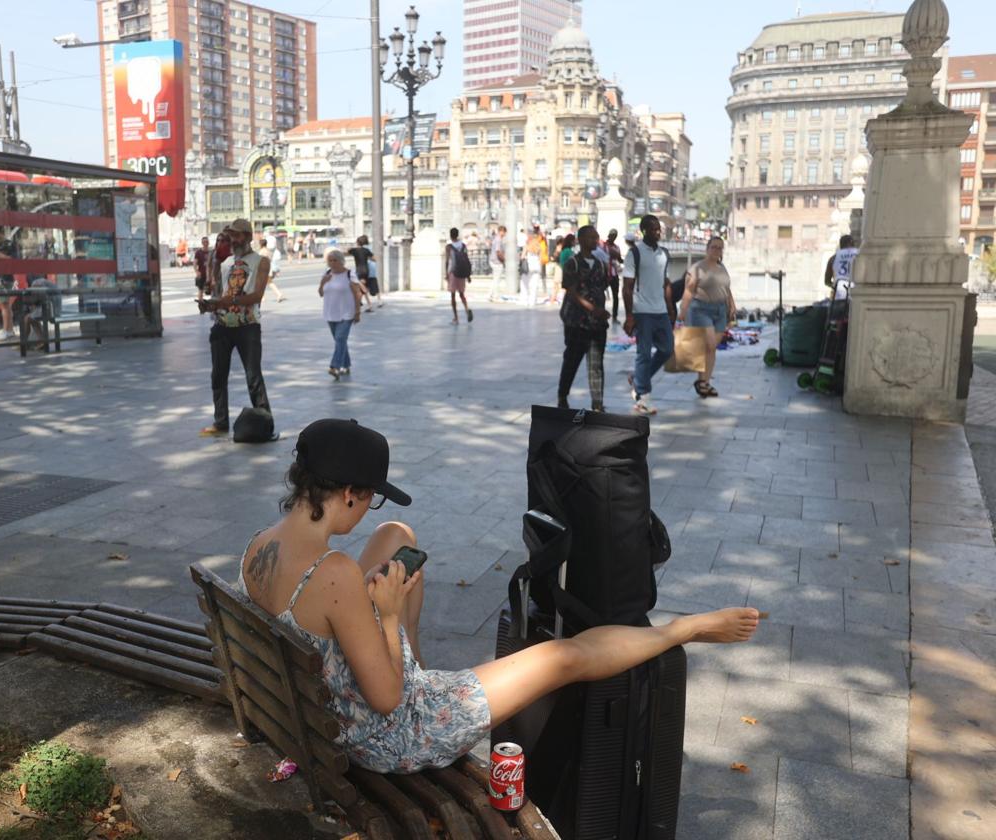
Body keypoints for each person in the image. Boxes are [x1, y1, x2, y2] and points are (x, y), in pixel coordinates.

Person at [235, 418, 760, 774]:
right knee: (562, 658)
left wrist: (373, 607)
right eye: (369, 500)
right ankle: (685, 628)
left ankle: (415, 657)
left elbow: (320, 614)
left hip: (318, 704)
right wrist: (389, 616)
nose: (365, 511)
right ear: (348, 493)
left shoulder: (261, 544)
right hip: (385, 735)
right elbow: (388, 701)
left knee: (397, 536)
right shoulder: (335, 574)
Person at [199, 218, 274, 437]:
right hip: (222, 324)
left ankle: (265, 422)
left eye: (237, 235)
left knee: (253, 375)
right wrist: (210, 305)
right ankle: (220, 421)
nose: (233, 239)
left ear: (248, 237)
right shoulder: (225, 263)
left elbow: (257, 296)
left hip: (247, 326)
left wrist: (225, 302)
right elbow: (221, 293)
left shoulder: (260, 261)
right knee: (218, 375)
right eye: (231, 235)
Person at [623, 215, 676, 416]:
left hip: (661, 310)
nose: (657, 232)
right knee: (643, 354)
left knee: (667, 349)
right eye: (653, 229)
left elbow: (666, 283)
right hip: (642, 311)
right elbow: (627, 287)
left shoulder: (664, 254)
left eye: (658, 229)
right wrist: (629, 316)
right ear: (644, 230)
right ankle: (643, 397)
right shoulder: (634, 253)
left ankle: (638, 379)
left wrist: (671, 308)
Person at [556, 226, 611, 411]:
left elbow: (602, 287)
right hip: (576, 322)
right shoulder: (573, 263)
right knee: (572, 360)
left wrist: (600, 311)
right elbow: (571, 291)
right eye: (591, 237)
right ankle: (562, 395)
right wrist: (592, 308)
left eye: (596, 237)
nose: (596, 240)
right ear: (581, 240)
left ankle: (598, 402)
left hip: (597, 324)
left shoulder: (600, 264)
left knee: (596, 364)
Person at [679, 237, 736, 399]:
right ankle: (702, 381)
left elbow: (727, 289)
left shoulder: (722, 268)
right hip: (701, 309)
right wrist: (683, 310)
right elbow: (689, 291)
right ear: (707, 248)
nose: (717, 251)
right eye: (714, 247)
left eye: (720, 248)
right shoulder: (697, 268)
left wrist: (731, 305)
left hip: (720, 310)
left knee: (711, 348)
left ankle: (704, 381)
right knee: (709, 343)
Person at [319, 250, 363, 380]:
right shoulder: (327, 274)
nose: (332, 263)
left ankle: (335, 366)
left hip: (346, 313)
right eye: (330, 261)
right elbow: (321, 293)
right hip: (330, 313)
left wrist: (357, 312)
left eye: (335, 260)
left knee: (340, 339)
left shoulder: (350, 274)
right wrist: (323, 282)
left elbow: (357, 294)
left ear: (341, 261)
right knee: (340, 341)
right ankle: (346, 364)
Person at [0, 228, 19, 341]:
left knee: (4, 306)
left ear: (0, 233)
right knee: (7, 305)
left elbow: (8, 259)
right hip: (2, 278)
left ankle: (5, 331)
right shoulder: (2, 245)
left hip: (3, 278)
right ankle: (10, 330)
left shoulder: (7, 245)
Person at [443, 228, 474, 324]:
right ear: (457, 235)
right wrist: (468, 275)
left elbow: (447, 261)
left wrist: (446, 274)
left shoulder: (449, 247)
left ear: (450, 235)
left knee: (453, 296)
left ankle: (456, 318)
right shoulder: (463, 245)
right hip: (462, 273)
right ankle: (466, 308)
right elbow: (466, 259)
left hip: (453, 273)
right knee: (461, 294)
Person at [825, 235, 859, 301]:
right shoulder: (860, 254)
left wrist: (835, 286)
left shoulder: (833, 258)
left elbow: (827, 281)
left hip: (839, 294)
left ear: (841, 245)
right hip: (856, 292)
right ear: (853, 243)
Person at [349, 236, 378, 311]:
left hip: (359, 270)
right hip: (366, 270)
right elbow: (374, 259)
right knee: (361, 287)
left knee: (361, 288)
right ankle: (361, 303)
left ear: (357, 242)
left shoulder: (354, 250)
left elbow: (346, 252)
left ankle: (368, 304)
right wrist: (367, 257)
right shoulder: (366, 250)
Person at [261, 231, 287, 303]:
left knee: (261, 283)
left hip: (265, 269)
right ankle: (278, 294)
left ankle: (262, 298)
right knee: (269, 282)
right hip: (269, 268)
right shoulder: (271, 250)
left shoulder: (265, 250)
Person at [522, 226, 545, 307]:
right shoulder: (538, 244)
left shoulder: (527, 244)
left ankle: (525, 300)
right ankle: (532, 301)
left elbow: (523, 256)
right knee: (534, 285)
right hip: (537, 266)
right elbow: (541, 257)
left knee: (525, 283)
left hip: (528, 266)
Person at [604, 229, 623, 323]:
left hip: (614, 274)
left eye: (615, 235)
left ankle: (615, 316)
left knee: (615, 296)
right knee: (601, 294)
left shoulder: (616, 247)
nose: (613, 237)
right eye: (612, 235)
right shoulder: (603, 246)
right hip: (605, 273)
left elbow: (619, 259)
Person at [488, 225, 507, 302]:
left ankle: (490, 295)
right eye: (504, 232)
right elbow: (498, 251)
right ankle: (495, 296)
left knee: (495, 280)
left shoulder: (495, 238)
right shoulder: (498, 239)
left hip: (493, 260)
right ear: (501, 231)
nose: (505, 234)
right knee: (497, 280)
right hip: (497, 261)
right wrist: (503, 259)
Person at [192, 236, 211, 302]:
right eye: (204, 242)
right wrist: (197, 272)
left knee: (212, 289)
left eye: (207, 242)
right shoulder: (198, 252)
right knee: (201, 289)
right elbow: (194, 263)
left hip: (210, 274)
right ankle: (201, 302)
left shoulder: (211, 252)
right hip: (202, 273)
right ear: (202, 243)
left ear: (208, 243)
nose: (205, 243)